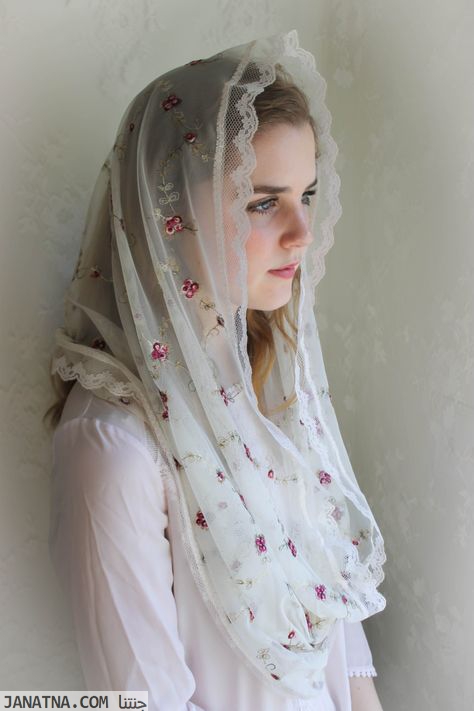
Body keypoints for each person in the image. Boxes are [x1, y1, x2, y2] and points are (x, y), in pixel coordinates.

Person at [44, 30, 387, 710]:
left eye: (307, 195)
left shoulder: (272, 390)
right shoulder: (112, 447)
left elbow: (341, 645)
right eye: (262, 202)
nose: (302, 233)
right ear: (169, 211)